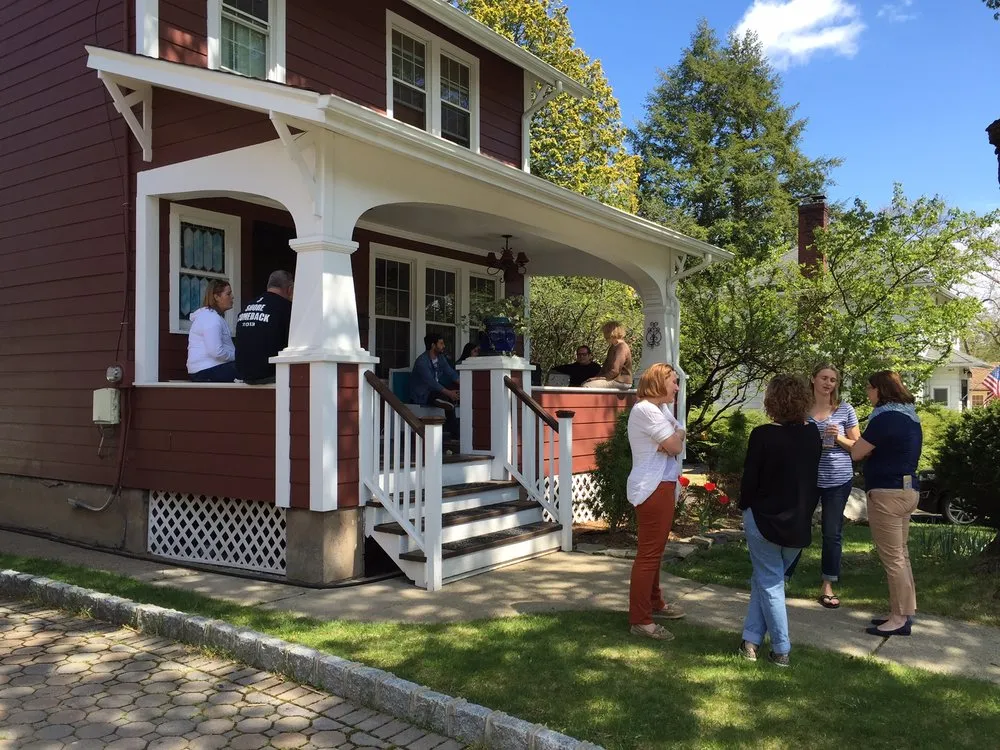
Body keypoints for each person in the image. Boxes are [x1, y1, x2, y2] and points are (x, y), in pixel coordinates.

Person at [738, 375, 821, 667]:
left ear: (772, 401)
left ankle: (782, 650)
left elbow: (750, 481)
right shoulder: (813, 434)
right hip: (798, 523)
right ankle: (750, 642)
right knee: (765, 581)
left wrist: (743, 508)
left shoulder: (762, 435)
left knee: (770, 583)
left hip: (763, 520)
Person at [851, 371, 922, 637]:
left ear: (879, 390)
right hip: (908, 490)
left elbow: (858, 452)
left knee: (893, 559)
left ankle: (899, 618)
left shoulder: (884, 418)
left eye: (869, 388)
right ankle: (902, 612)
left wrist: (836, 438)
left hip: (886, 494)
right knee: (901, 555)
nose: (868, 394)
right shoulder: (910, 417)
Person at [625, 362, 687, 640]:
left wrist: (674, 440)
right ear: (659, 382)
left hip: (663, 484)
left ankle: (655, 602)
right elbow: (674, 445)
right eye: (673, 381)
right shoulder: (646, 410)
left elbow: (678, 438)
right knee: (648, 555)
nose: (677, 386)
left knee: (655, 551)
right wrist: (672, 441)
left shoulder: (660, 409)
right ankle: (641, 620)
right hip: (651, 488)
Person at [806, 364, 861, 609]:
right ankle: (782, 577)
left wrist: (838, 437)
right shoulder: (801, 409)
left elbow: (858, 448)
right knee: (796, 526)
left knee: (832, 532)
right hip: (806, 477)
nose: (828, 383)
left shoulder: (844, 409)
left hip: (838, 478)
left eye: (833, 380)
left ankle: (828, 584)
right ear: (813, 380)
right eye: (824, 378)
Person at [235, 270, 293, 385]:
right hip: (269, 374)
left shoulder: (248, 306)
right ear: (289, 289)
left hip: (243, 374)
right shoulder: (286, 308)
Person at [186, 279, 238, 383]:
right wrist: (237, 356)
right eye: (228, 294)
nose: (232, 297)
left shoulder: (213, 316)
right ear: (216, 297)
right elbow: (216, 352)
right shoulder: (210, 318)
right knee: (251, 367)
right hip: (206, 370)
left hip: (208, 368)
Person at [410, 334, 460, 439]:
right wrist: (449, 393)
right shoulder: (422, 362)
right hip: (423, 394)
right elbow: (431, 382)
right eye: (441, 343)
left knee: (452, 395)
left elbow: (451, 373)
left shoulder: (440, 358)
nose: (444, 346)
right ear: (433, 345)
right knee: (448, 399)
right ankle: (456, 435)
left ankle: (445, 401)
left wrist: (466, 386)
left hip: (436, 391)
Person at [583, 321, 633, 389]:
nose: (604, 335)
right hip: (612, 379)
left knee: (587, 386)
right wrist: (595, 378)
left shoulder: (622, 347)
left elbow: (615, 371)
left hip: (621, 381)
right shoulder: (612, 347)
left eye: (605, 332)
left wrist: (599, 378)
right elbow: (604, 368)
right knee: (585, 382)